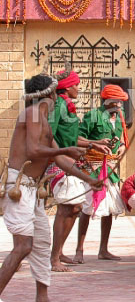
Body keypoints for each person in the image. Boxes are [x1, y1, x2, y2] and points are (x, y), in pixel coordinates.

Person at [0, 74, 101, 302]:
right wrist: (63, 151)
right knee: (24, 246)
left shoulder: (42, 118)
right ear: (53, 93)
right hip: (20, 186)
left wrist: (88, 179)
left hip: (31, 189)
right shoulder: (34, 113)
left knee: (42, 245)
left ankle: (42, 298)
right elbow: (35, 150)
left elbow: (60, 160)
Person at [47, 69, 111, 272]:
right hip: (59, 162)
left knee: (74, 208)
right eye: (76, 85)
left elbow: (71, 137)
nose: (78, 88)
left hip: (69, 160)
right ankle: (54, 258)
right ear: (66, 86)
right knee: (67, 208)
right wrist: (61, 155)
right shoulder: (58, 105)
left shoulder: (67, 106)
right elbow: (49, 133)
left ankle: (58, 252)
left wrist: (93, 145)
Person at [74, 84, 129, 263]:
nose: (119, 106)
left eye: (120, 103)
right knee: (88, 207)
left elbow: (120, 140)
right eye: (116, 102)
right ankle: (79, 250)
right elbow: (78, 139)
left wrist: (121, 146)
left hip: (111, 168)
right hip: (93, 166)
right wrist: (95, 142)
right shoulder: (93, 116)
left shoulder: (119, 118)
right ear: (106, 101)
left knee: (110, 209)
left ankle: (103, 249)